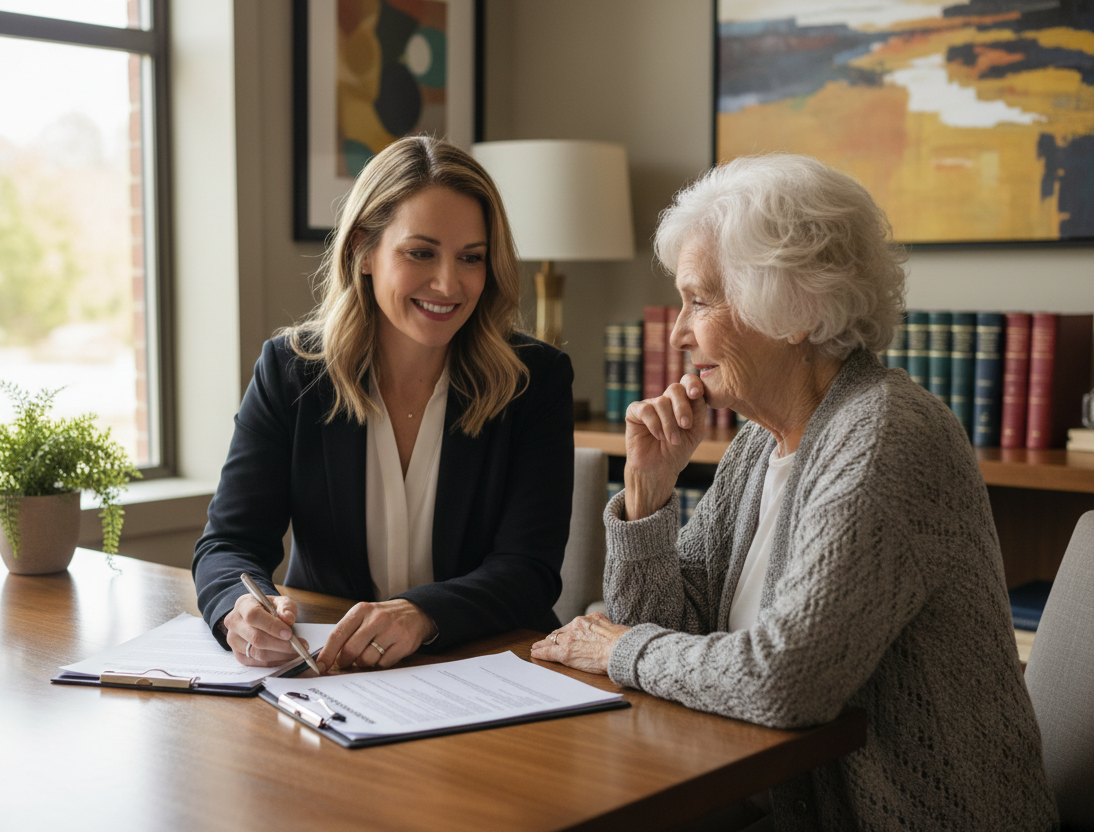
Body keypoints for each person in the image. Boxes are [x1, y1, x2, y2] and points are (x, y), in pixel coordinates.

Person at [532, 155, 1057, 831]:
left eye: (700, 300)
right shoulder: (761, 443)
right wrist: (648, 494)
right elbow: (667, 627)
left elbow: (785, 682)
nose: (679, 332)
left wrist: (616, 649)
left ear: (795, 308)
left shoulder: (887, 436)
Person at [193, 136, 574, 672]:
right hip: (332, 673)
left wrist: (421, 614)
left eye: (471, 258)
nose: (448, 283)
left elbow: (529, 570)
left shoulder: (534, 380)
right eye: (420, 253)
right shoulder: (290, 371)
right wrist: (241, 610)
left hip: (486, 668)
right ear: (363, 251)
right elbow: (229, 543)